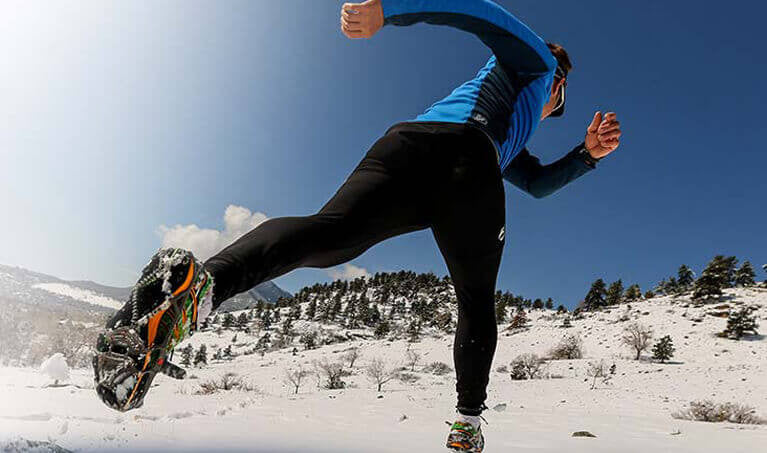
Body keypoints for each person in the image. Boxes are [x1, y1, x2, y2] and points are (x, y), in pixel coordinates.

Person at [92, 1, 622, 451]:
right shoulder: (533, 58)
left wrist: (585, 155)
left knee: (326, 238)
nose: (557, 103)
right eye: (561, 94)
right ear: (555, 79)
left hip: (411, 146)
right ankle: (467, 424)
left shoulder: (510, 135)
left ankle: (199, 288)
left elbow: (537, 183)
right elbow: (473, 10)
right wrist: (388, 11)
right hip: (468, 162)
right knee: (477, 303)